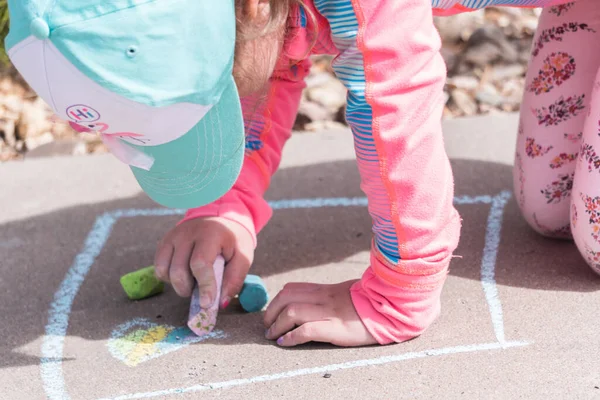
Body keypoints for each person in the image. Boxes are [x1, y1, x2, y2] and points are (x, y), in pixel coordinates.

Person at [6, 0, 579, 349]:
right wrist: (225, 202)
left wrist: (396, 295)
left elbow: (393, 103)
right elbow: (271, 52)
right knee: (550, 211)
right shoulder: (253, 11)